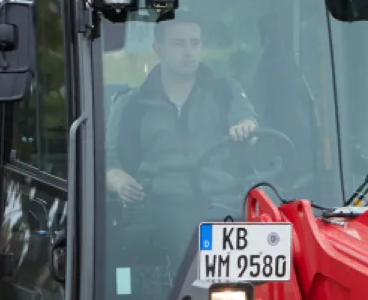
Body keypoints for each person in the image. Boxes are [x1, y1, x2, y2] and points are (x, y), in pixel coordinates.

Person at [106, 17, 259, 218]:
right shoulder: (131, 105)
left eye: (195, 43)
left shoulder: (225, 92)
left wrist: (246, 127)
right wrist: (119, 182)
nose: (189, 52)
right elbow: (108, 162)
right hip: (156, 211)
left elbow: (247, 121)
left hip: (223, 207)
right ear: (158, 49)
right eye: (179, 44)